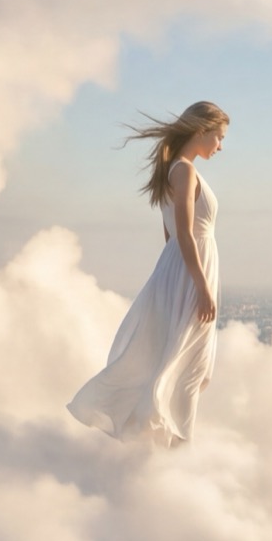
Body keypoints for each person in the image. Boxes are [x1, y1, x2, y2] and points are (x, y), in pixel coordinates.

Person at [68, 101, 227, 445]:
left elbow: (170, 235)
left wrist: (176, 277)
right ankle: (178, 445)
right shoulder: (184, 170)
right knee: (190, 364)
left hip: (180, 268)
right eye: (219, 137)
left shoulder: (175, 170)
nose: (220, 146)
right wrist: (199, 285)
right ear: (203, 130)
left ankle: (163, 438)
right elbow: (183, 232)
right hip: (190, 271)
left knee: (184, 360)